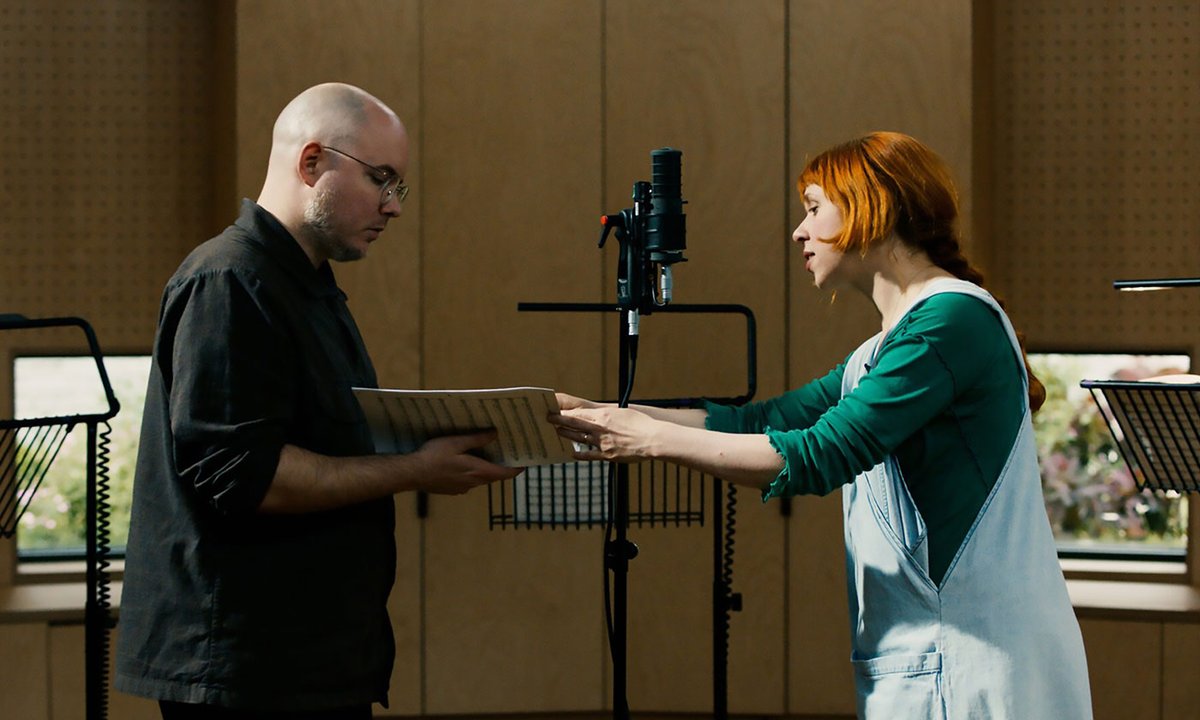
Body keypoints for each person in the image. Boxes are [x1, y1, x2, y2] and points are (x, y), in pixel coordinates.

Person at [550, 132, 1093, 719]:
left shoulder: (952, 319)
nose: (799, 231)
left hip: (974, 664)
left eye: (813, 208)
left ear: (872, 208)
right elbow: (762, 421)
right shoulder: (880, 351)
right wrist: (599, 414)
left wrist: (647, 439)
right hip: (929, 658)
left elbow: (818, 454)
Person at [115, 83, 520, 719]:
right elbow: (243, 477)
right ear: (311, 164)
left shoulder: (307, 285)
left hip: (307, 660)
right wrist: (417, 470)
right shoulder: (229, 280)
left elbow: (329, 439)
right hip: (247, 669)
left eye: (399, 187)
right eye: (381, 179)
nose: (393, 206)